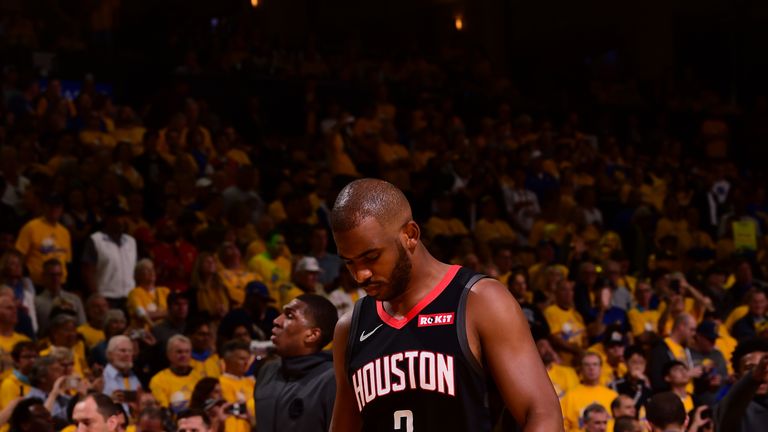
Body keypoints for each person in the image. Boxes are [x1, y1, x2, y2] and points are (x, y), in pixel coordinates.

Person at [329, 179, 561, 430]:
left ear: (410, 235)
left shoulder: (480, 301)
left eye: (371, 257)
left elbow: (541, 413)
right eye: (349, 262)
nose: (360, 274)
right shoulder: (350, 328)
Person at [255, 294, 337, 431]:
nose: (276, 320)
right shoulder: (266, 370)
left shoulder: (333, 380)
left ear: (312, 335)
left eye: (290, 315)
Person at [81, 204, 137, 311]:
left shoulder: (131, 241)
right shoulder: (96, 240)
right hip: (106, 298)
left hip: (130, 297)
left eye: (123, 217)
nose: (120, 221)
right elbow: (88, 272)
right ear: (107, 218)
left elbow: (135, 270)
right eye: (116, 217)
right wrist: (96, 296)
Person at [14, 194, 71, 287]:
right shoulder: (31, 227)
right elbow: (19, 256)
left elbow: (66, 260)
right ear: (44, 207)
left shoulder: (65, 232)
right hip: (36, 284)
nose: (54, 209)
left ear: (61, 209)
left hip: (60, 284)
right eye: (51, 206)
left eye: (57, 206)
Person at [713, 338, 768, 431]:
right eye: (750, 368)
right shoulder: (729, 409)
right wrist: (753, 377)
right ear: (736, 378)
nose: (762, 371)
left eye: (765, 366)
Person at [560, 352, 619, 431]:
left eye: (595, 364)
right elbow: (563, 426)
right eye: (587, 365)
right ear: (581, 369)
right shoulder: (570, 395)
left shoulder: (613, 395)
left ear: (601, 368)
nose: (591, 368)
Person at [148, 334, 202, 415]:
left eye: (187, 351)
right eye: (179, 352)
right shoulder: (158, 380)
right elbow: (163, 413)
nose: (184, 355)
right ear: (169, 354)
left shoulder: (199, 378)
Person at [35, 258, 85, 336]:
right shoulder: (36, 302)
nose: (55, 278)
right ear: (44, 276)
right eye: (52, 275)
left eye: (58, 275)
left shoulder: (74, 299)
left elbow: (82, 327)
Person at [218, 341, 254, 432]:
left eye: (248, 359)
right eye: (242, 359)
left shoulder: (252, 382)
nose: (246, 362)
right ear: (227, 360)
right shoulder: (219, 384)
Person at [102, 335, 142, 415]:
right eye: (122, 351)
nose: (127, 354)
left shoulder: (135, 377)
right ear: (110, 354)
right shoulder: (101, 377)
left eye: (130, 351)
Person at [0, 341, 37, 410]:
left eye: (35, 357)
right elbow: (11, 415)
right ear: (16, 361)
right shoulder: (9, 383)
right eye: (27, 357)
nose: (32, 360)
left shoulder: (39, 382)